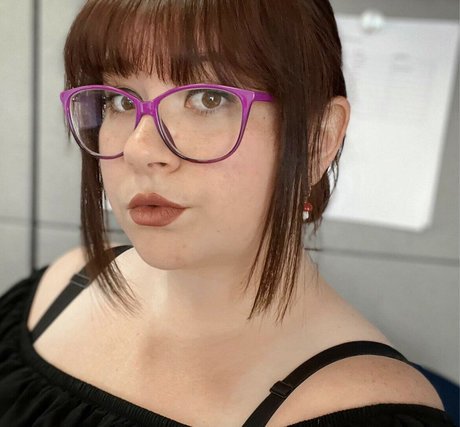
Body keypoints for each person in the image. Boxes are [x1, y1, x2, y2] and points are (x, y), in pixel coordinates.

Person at [0, 0, 456, 426]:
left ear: (319, 138)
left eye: (208, 99)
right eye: (119, 100)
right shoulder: (60, 288)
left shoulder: (365, 406)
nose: (140, 148)